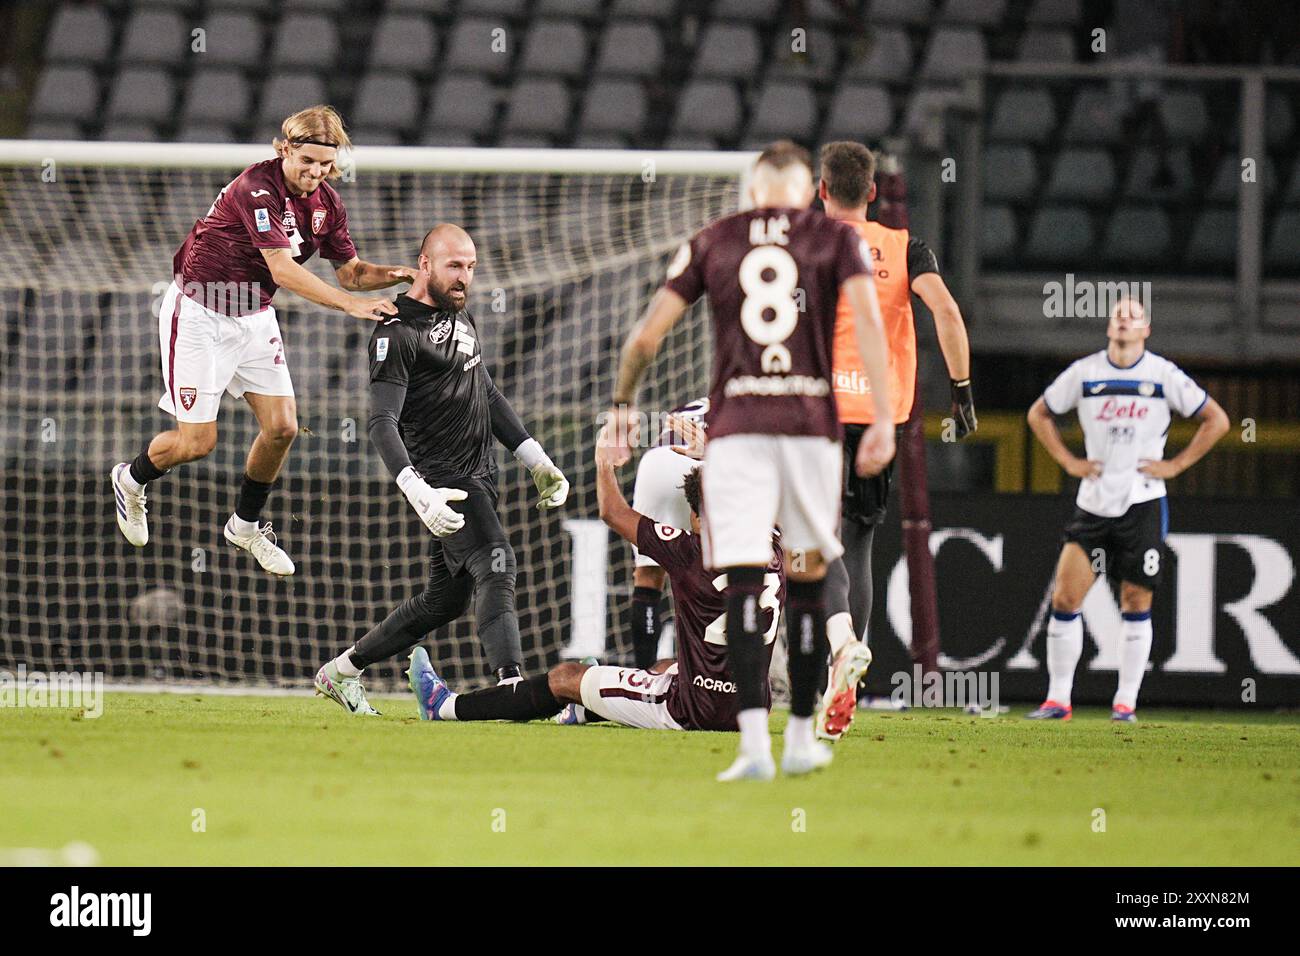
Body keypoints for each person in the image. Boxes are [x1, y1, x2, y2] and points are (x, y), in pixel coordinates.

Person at [606, 140, 896, 781]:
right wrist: (879, 418)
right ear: (806, 188)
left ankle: (753, 750)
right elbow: (870, 328)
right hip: (811, 430)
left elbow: (647, 335)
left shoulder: (714, 238)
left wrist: (625, 402)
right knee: (811, 581)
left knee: (739, 581)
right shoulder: (835, 238)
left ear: (753, 188)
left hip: (735, 431)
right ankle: (798, 738)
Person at [110, 106, 410, 576]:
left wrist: (398, 275)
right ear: (284, 148)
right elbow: (283, 269)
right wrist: (349, 307)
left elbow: (351, 273)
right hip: (200, 313)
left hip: (253, 316)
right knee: (197, 444)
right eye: (306, 160)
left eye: (325, 165)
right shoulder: (257, 187)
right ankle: (131, 479)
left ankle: (244, 526)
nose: (315, 172)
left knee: (283, 428)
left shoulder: (327, 205)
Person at [313, 224, 570, 716]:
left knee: (444, 601)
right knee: (498, 563)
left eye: (471, 267)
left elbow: (485, 392)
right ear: (424, 264)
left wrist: (535, 458)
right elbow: (380, 423)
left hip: (482, 474)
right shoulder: (395, 331)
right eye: (455, 266)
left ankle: (341, 671)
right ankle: (513, 687)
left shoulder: (458, 313)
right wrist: (417, 490)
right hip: (444, 481)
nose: (465, 278)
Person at [407, 453, 783, 731]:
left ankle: (445, 706)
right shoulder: (775, 544)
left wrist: (604, 460)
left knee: (566, 676)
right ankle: (585, 709)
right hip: (751, 709)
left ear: (697, 516)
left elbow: (613, 511)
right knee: (668, 667)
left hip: (695, 711)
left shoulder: (689, 551)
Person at [814, 141, 978, 741]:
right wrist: (961, 392)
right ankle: (846, 681)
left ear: (822, 189)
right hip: (884, 417)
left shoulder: (808, 244)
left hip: (822, 410)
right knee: (858, 542)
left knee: (814, 537)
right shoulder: (907, 246)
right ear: (874, 191)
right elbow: (948, 313)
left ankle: (833, 652)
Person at [1025, 297, 1228, 722]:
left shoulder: (1162, 375)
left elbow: (1217, 419)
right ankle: (1058, 700)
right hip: (1094, 503)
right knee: (1065, 595)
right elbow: (1039, 413)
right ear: (1108, 327)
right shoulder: (1085, 373)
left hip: (1143, 502)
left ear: (1146, 330)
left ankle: (1125, 704)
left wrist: (1177, 464)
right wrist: (1067, 461)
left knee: (1135, 600)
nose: (1123, 319)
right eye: (1118, 314)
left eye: (1133, 316)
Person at [626, 396, 709, 668]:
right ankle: (710, 675)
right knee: (720, 573)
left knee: (648, 578)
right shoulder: (747, 402)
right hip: (705, 457)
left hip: (659, 459)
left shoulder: (692, 405)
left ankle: (642, 676)